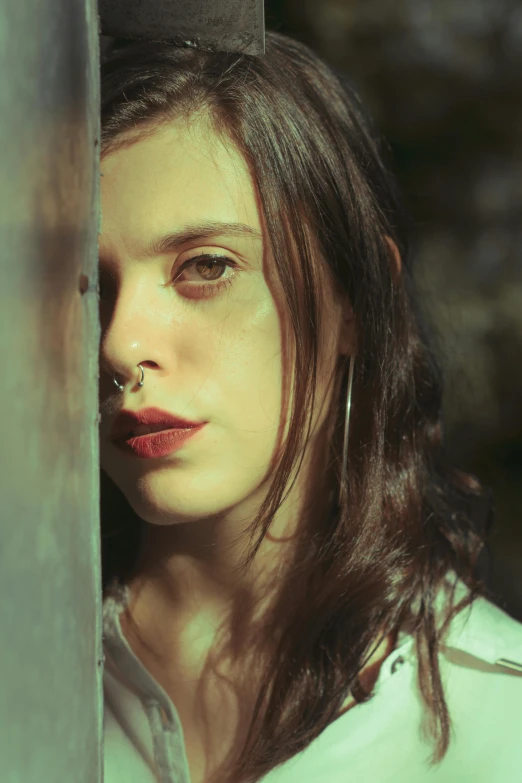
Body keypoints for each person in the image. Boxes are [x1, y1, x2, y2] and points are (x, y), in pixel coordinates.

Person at [98, 32, 522, 783]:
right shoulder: (27, 675)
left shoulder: (497, 727)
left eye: (206, 267)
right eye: (88, 286)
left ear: (357, 300)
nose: (121, 343)